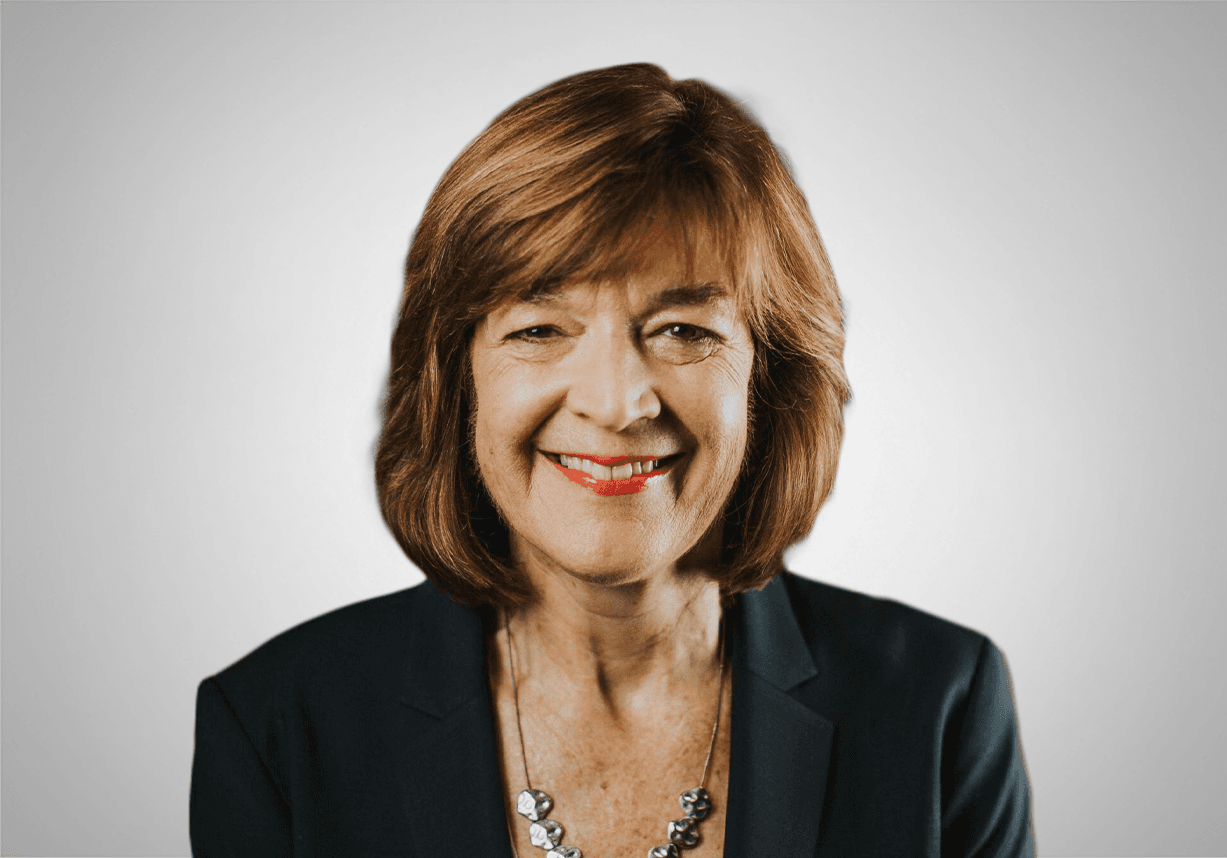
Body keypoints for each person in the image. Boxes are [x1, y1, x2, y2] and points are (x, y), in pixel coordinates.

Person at [190, 63, 1034, 857]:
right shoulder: (276, 727)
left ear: (769, 383)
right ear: (458, 382)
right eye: (539, 330)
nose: (616, 401)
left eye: (683, 331)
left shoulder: (938, 707)